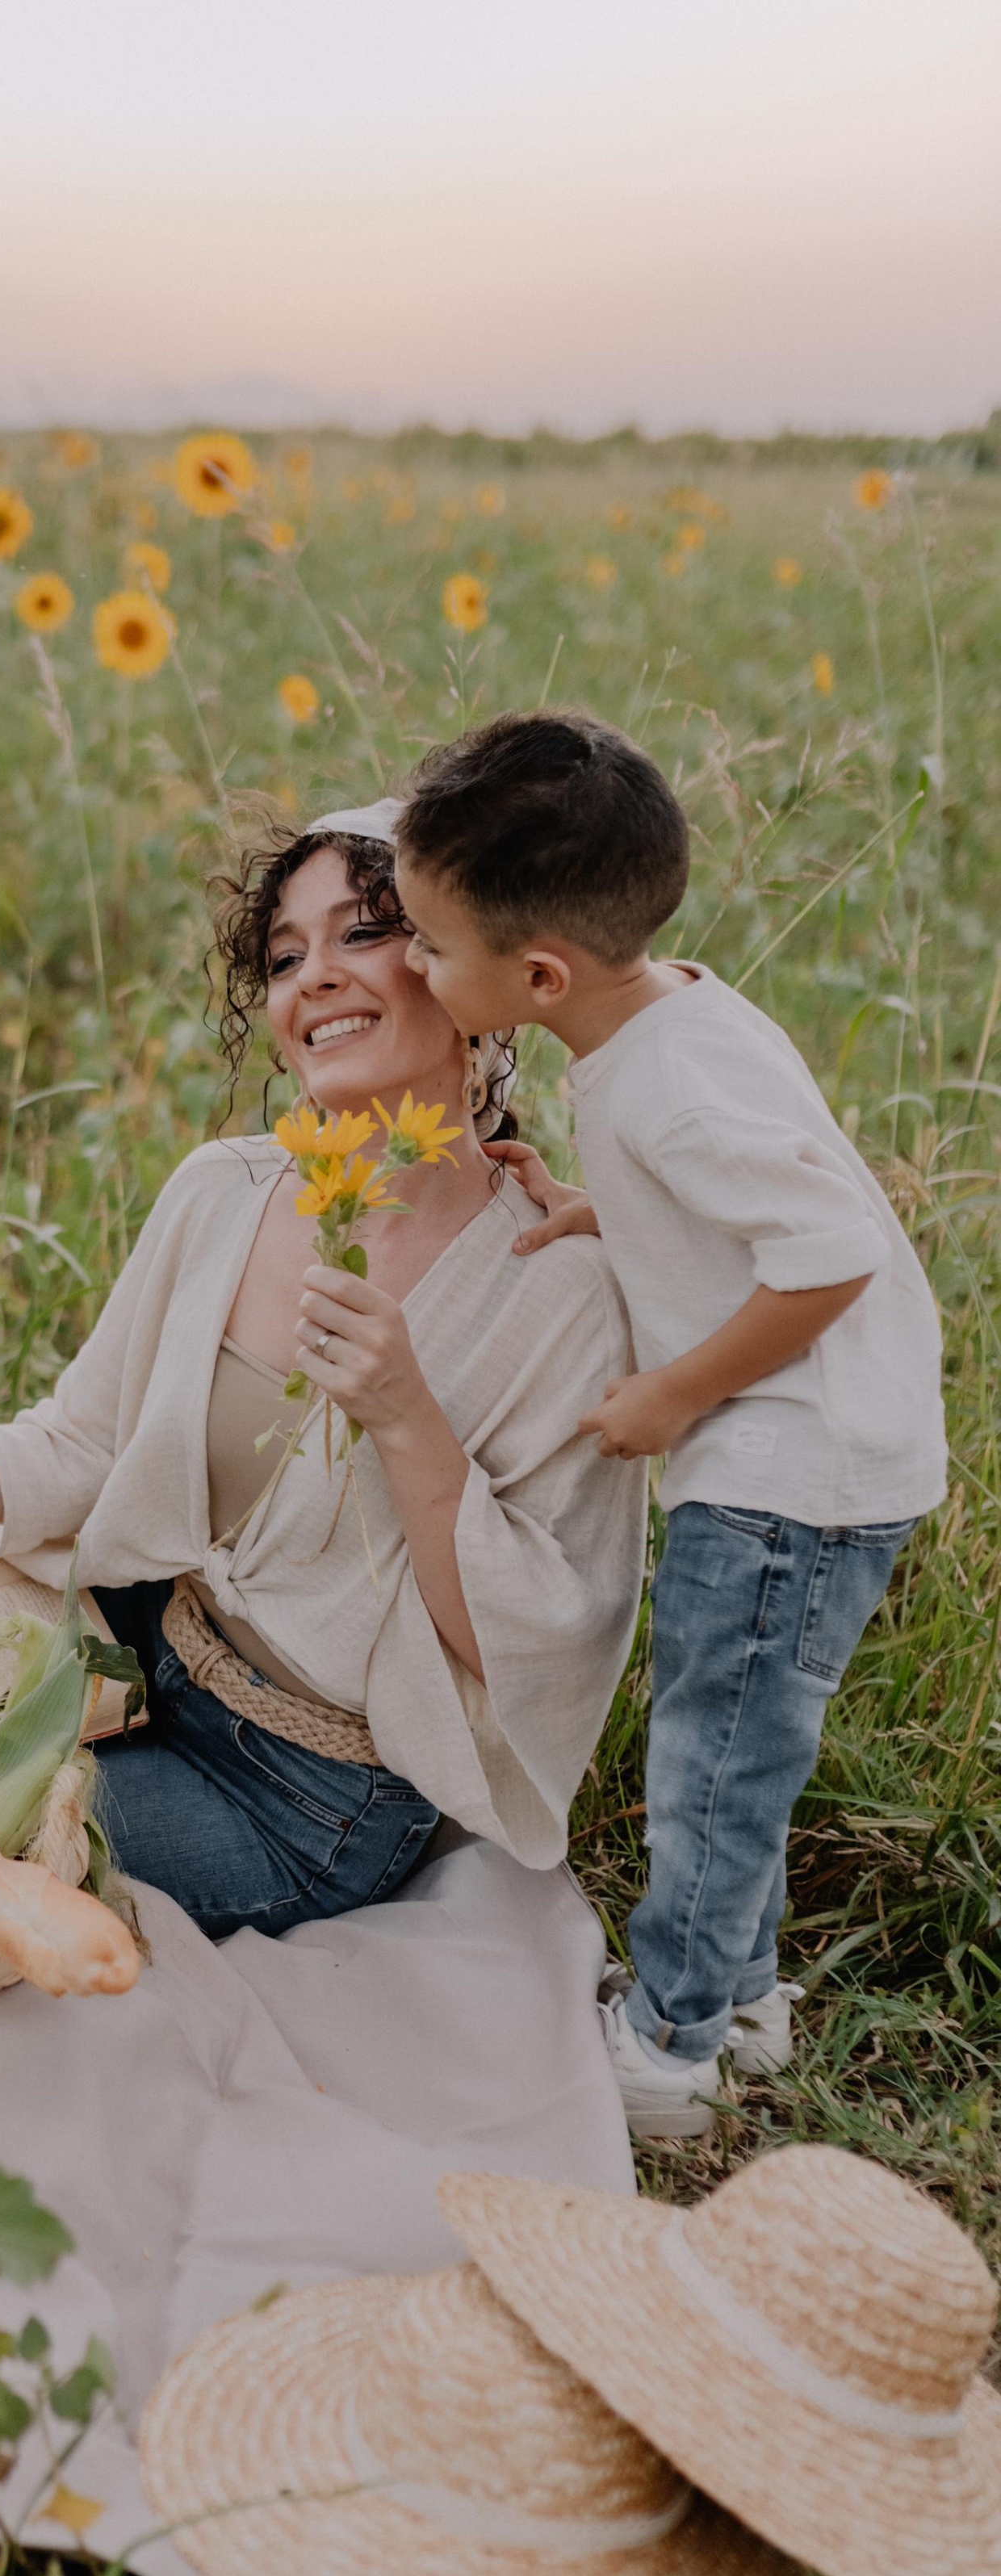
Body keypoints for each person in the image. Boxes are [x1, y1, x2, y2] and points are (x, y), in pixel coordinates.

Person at [0, 802, 647, 1940]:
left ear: (472, 972)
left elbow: (524, 1652)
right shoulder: (225, 1192)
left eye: (363, 933)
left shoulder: (558, 1291)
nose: (314, 979)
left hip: (304, 1794)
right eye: (285, 956)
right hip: (131, 1661)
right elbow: (78, 1452)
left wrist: (408, 1418)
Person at [392, 712, 947, 2137]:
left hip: (787, 1468)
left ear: (537, 977)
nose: (413, 967)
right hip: (801, 1456)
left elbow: (831, 1256)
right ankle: (738, 1999)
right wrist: (605, 1210)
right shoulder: (668, 1017)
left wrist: (673, 1391)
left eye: (431, 947)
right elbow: (743, 1197)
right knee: (739, 1738)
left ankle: (673, 2048)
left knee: (713, 1761)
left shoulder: (670, 1078)